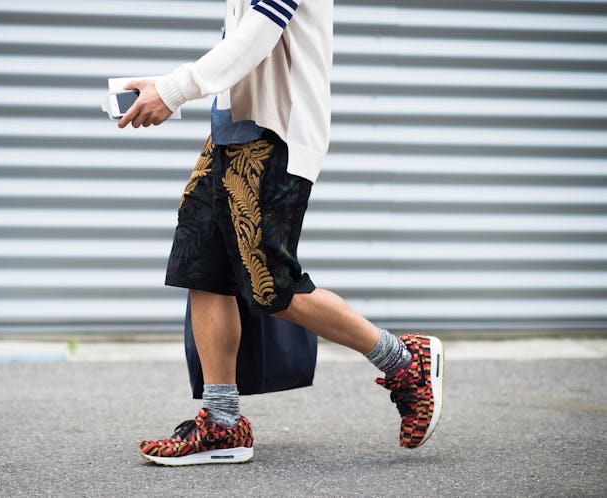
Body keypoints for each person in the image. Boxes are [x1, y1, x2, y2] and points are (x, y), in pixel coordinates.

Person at [118, 0, 444, 466]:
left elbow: (259, 34)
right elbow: (239, 45)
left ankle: (404, 362)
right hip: (229, 133)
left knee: (270, 285)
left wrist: (171, 90)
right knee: (201, 267)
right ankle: (223, 424)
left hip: (275, 137)